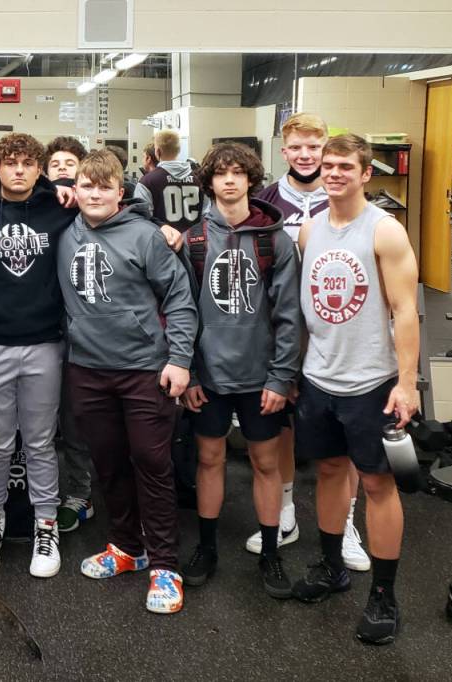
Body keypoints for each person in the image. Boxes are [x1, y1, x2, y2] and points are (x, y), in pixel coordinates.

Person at [291, 134, 418, 645]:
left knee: (378, 484)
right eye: (328, 165)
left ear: (366, 173)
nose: (334, 172)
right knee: (328, 470)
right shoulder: (309, 231)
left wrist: (406, 383)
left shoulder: (384, 230)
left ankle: (384, 596)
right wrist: (295, 371)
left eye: (346, 165)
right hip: (319, 377)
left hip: (372, 382)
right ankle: (331, 568)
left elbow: (406, 310)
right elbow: (303, 308)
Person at [58, 150, 197, 613]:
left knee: (151, 463)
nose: (94, 193)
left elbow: (178, 298)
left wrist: (179, 359)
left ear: (121, 192)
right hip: (87, 369)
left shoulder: (147, 236)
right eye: (85, 185)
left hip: (143, 369)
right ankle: (125, 547)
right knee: (109, 462)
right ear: (74, 189)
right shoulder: (66, 230)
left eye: (104, 186)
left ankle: (163, 564)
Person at [178, 142, 300, 599]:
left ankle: (271, 551)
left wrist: (280, 377)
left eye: (238, 173)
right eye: (221, 174)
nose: (229, 180)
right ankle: (207, 548)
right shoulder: (194, 240)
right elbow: (182, 312)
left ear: (251, 180)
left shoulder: (275, 241)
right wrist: (189, 374)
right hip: (209, 374)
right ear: (208, 183)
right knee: (209, 460)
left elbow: (289, 315)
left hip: (260, 377)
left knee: (265, 462)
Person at [252, 113, 370, 572]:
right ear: (284, 151)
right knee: (279, 421)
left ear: (327, 148)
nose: (306, 155)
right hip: (279, 327)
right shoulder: (264, 201)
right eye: (297, 147)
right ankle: (284, 513)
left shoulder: (346, 196)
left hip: (337, 328)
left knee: (345, 435)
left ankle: (348, 522)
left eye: (314, 147)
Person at [0, 133, 77, 578]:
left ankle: (45, 524)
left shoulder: (60, 207)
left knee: (39, 442)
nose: (18, 170)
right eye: (10, 163)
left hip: (44, 342)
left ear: (41, 169)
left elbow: (115, 201)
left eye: (27, 164)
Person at [43, 135, 95, 533]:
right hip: (41, 329)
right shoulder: (37, 206)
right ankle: (37, 494)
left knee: (78, 418)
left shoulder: (96, 210)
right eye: (55, 162)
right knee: (43, 421)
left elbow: (135, 203)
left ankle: (81, 493)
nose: (62, 167)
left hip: (86, 331)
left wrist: (164, 227)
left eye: (70, 162)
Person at [134, 130, 206, 246]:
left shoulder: (146, 182)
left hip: (162, 245)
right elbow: (206, 216)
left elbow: (141, 221)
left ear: (157, 152)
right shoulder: (199, 180)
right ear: (179, 150)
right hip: (195, 245)